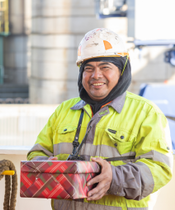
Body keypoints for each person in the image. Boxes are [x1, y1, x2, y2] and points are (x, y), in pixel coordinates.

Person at [27, 28, 173, 209]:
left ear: (122, 71)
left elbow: (159, 169)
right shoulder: (64, 111)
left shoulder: (146, 113)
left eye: (105, 67)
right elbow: (37, 154)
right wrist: (47, 166)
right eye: (88, 68)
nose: (96, 75)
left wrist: (114, 177)